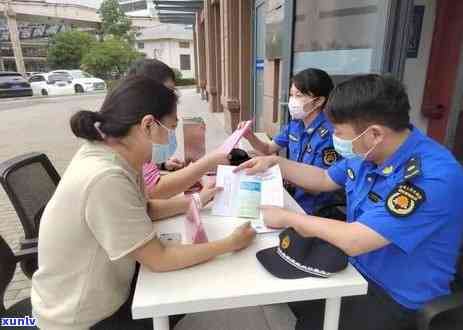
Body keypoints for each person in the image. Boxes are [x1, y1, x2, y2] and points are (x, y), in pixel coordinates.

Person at [236, 74, 463, 330]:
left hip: (396, 294)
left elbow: (356, 239)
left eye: (339, 132)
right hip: (355, 268)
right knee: (293, 292)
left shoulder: (432, 177)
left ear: (375, 133)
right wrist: (276, 162)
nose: (336, 138)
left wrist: (289, 217)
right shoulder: (371, 150)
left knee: (313, 323)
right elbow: (324, 178)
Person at [31, 76, 256, 330]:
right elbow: (159, 259)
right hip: (82, 319)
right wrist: (230, 244)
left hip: (105, 292)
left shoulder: (116, 154)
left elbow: (144, 208)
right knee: (188, 294)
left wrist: (195, 200)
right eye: (171, 128)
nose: (172, 139)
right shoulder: (105, 177)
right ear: (148, 124)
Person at [237, 68, 341, 215]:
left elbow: (317, 187)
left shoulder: (329, 135)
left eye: (299, 96)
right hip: (289, 197)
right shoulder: (296, 124)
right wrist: (250, 136)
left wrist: (277, 168)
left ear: (318, 101)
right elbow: (268, 148)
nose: (293, 101)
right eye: (292, 95)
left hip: (313, 209)